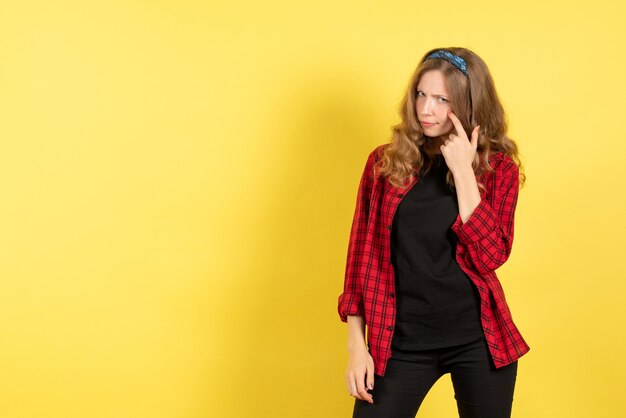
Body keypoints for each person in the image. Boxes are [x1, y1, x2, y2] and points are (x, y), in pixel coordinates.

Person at [337, 47, 531, 418]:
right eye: (421, 95)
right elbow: (361, 257)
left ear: (470, 105)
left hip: (479, 340)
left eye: (443, 100)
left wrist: (462, 172)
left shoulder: (498, 170)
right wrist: (356, 347)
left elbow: (490, 257)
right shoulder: (384, 163)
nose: (426, 109)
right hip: (398, 342)